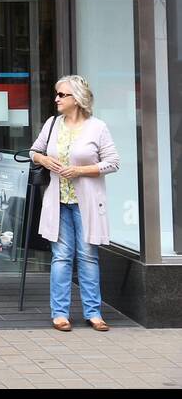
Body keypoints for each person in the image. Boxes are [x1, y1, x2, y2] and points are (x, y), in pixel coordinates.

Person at [29, 75, 120, 332]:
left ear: (77, 99)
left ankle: (94, 313)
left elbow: (112, 162)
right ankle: (59, 314)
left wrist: (81, 171)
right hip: (58, 201)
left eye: (62, 95)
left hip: (86, 203)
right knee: (61, 258)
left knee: (88, 256)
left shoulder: (97, 127)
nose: (56, 99)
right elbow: (33, 151)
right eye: (56, 94)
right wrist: (45, 160)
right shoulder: (52, 124)